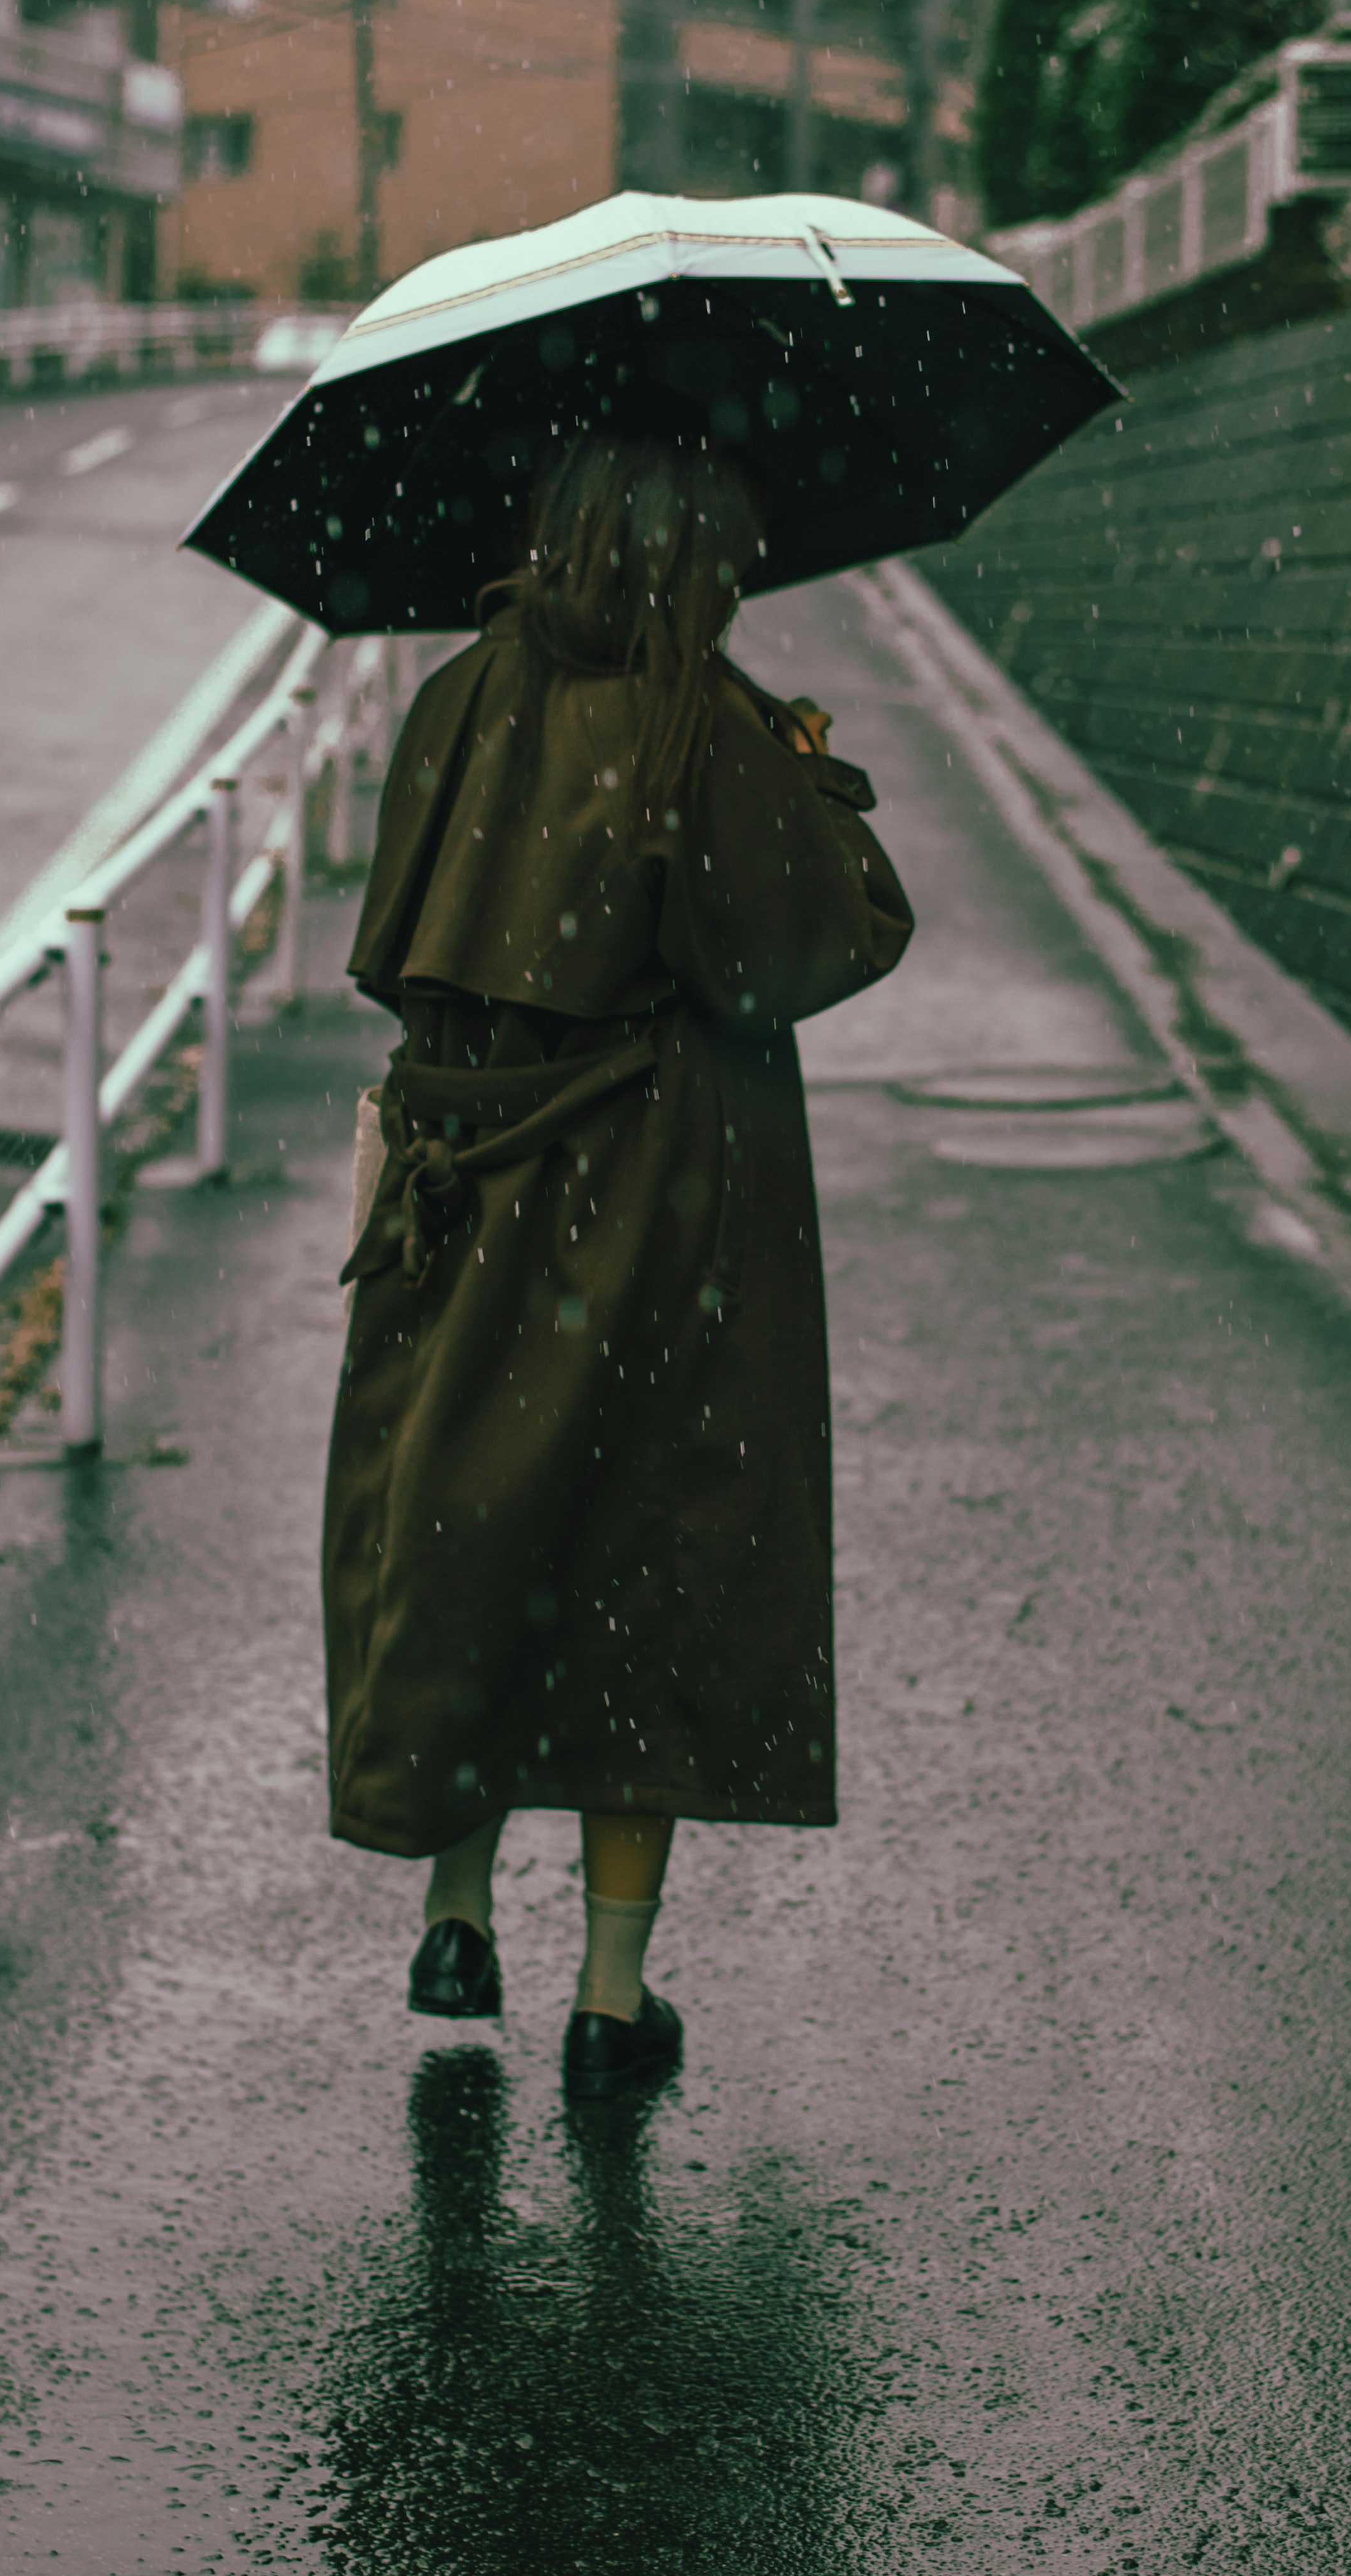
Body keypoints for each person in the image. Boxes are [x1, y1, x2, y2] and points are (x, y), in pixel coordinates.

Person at [322, 431, 915, 2097]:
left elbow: (396, 944)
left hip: (459, 1195)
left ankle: (457, 1912)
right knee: (639, 1567)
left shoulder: (455, 703)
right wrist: (811, 774)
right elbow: (836, 934)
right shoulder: (699, 727)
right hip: (653, 1210)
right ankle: (606, 1996)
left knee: (468, 1531)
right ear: (699, 557)